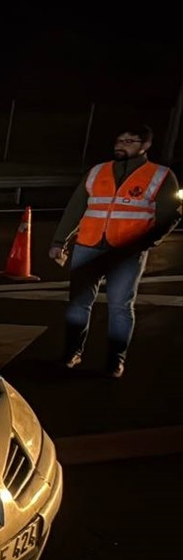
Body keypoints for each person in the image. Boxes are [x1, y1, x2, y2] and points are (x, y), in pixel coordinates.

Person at [49, 125, 181, 377]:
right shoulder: (98, 171)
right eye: (120, 139)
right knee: (78, 304)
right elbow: (75, 208)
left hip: (126, 253)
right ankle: (72, 353)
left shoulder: (160, 175)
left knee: (120, 306)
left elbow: (170, 216)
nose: (122, 144)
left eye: (131, 141)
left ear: (145, 146)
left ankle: (115, 361)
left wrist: (144, 244)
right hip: (88, 246)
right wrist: (59, 241)